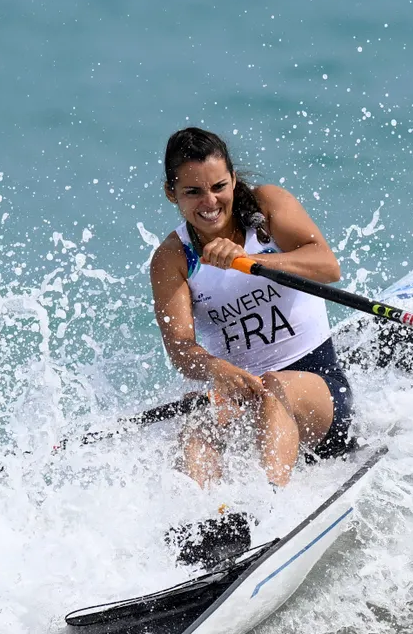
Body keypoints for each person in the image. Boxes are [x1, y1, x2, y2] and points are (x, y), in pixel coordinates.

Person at [149, 127, 354, 488]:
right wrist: (216, 369)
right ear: (172, 194)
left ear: (232, 179)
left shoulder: (266, 206)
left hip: (319, 391)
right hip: (243, 394)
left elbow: (327, 266)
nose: (209, 202)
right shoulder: (172, 258)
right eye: (192, 192)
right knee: (197, 420)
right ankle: (209, 523)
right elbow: (181, 350)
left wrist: (250, 261)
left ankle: (269, 506)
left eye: (218, 187)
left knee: (274, 387)